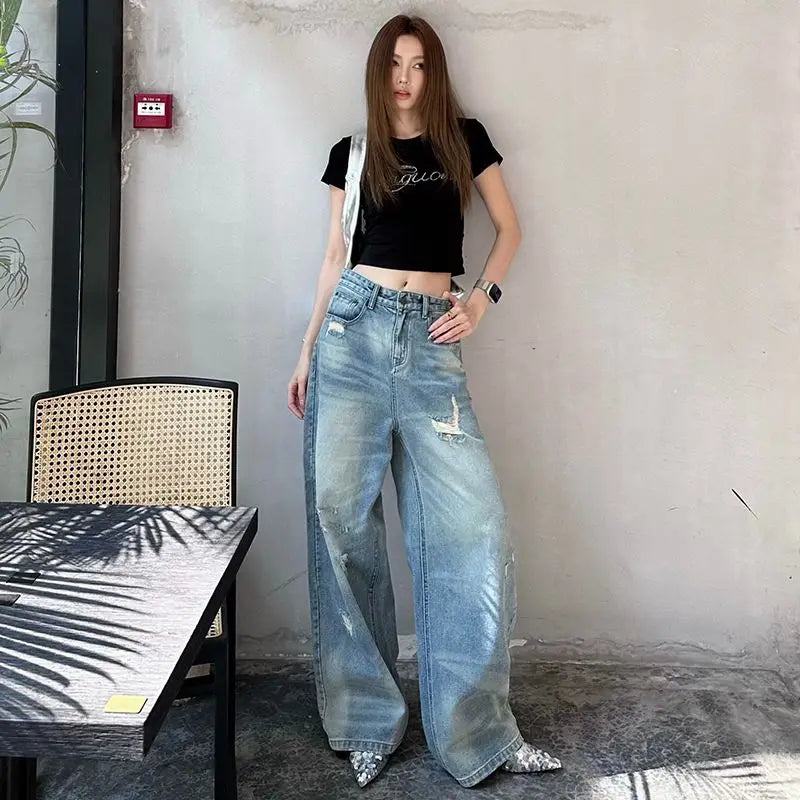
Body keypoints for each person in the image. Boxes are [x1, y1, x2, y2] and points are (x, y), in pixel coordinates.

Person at [287, 13, 561, 789]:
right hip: (353, 336)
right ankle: (366, 723)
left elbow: (510, 228)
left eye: (418, 64)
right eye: (394, 63)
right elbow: (333, 257)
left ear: (433, 73)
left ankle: (480, 735)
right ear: (379, 72)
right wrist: (306, 350)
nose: (405, 77)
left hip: (433, 346)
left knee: (474, 527)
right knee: (342, 521)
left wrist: (481, 302)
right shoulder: (353, 152)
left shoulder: (463, 141)